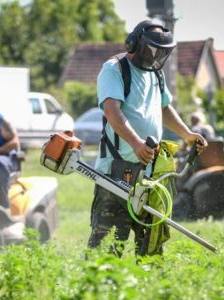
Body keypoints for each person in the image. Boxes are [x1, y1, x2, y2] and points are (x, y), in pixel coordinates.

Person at [87, 19, 208, 256]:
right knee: (105, 253)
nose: (155, 55)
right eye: (151, 49)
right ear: (134, 43)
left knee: (151, 251)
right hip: (116, 174)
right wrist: (136, 144)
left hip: (151, 176)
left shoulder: (155, 73)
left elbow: (164, 108)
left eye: (161, 52)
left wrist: (188, 134)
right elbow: (112, 111)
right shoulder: (114, 69)